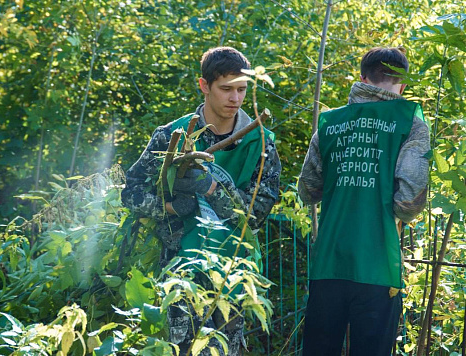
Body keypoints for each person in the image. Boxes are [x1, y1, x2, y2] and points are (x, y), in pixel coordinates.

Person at [121, 47, 281, 355]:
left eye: (242, 89)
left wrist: (211, 189)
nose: (235, 98)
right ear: (204, 85)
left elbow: (255, 216)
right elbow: (131, 192)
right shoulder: (173, 135)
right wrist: (169, 207)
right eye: (226, 89)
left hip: (233, 275)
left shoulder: (260, 144)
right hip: (179, 274)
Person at [298, 47, 430, 355]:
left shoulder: (330, 122)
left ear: (362, 78)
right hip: (378, 265)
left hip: (328, 262)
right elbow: (408, 202)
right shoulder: (410, 120)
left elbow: (308, 190)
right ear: (404, 84)